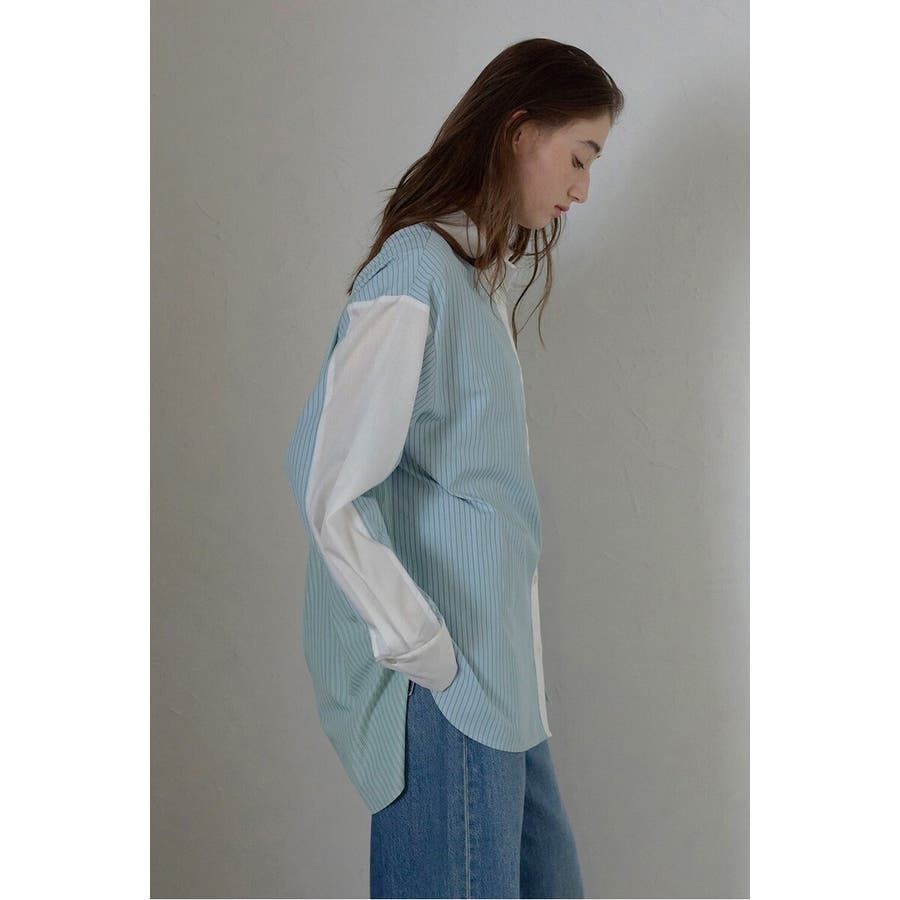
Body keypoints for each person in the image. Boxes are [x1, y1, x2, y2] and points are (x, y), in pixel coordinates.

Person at [284, 37, 624, 899]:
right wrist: (425, 650)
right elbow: (329, 484)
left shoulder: (477, 281)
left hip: (504, 694)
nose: (583, 187)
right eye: (579, 155)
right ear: (519, 131)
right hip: (450, 691)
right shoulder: (417, 272)